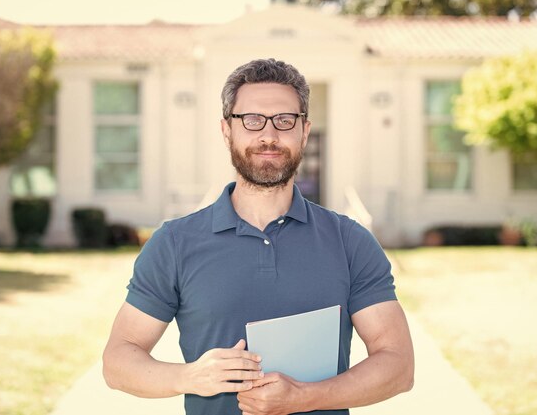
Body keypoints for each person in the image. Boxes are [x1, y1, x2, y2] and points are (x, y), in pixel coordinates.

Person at [102, 58, 414, 415]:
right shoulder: (174, 243)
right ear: (226, 131)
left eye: (285, 121)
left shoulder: (349, 241)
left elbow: (399, 366)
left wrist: (304, 397)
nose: (269, 135)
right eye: (252, 121)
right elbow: (118, 361)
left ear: (305, 131)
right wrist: (189, 377)